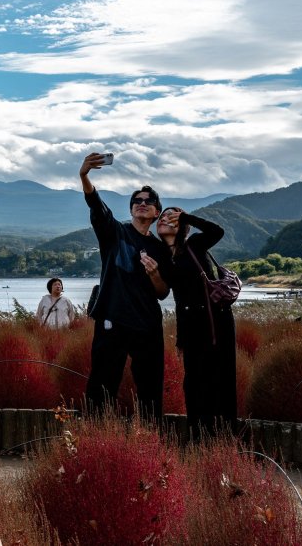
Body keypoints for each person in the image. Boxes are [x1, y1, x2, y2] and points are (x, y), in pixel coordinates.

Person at [79, 153, 172, 419]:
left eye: (148, 201)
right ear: (131, 208)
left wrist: (154, 274)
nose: (141, 204)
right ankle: (95, 441)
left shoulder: (160, 248)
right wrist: (84, 176)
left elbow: (163, 293)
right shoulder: (114, 233)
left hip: (147, 325)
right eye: (136, 201)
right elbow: (98, 207)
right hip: (112, 321)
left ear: (156, 213)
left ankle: (149, 444)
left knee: (150, 390)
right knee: (101, 387)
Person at [156, 207, 237, 439]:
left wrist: (187, 217)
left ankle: (224, 441)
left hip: (216, 323)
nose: (165, 219)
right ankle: (198, 440)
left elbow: (217, 231)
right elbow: (179, 301)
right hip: (191, 327)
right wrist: (181, 339)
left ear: (181, 224)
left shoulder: (194, 244)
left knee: (220, 381)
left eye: (171, 216)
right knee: (193, 384)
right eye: (162, 216)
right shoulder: (163, 256)